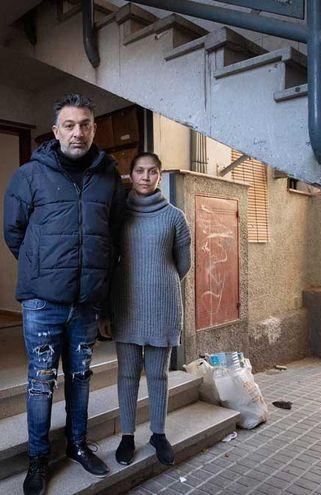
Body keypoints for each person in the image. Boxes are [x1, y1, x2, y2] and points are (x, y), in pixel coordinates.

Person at [3, 93, 126, 495]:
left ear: (94, 128)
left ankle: (76, 445)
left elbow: (113, 235)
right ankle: (38, 458)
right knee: (41, 381)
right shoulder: (28, 176)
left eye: (85, 124)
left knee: (80, 377)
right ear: (55, 132)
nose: (78, 132)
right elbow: (14, 234)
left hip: (87, 302)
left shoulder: (109, 177)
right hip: (42, 301)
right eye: (70, 125)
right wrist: (45, 270)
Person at [110, 152, 191, 467]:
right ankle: (127, 436)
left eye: (152, 172)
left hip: (162, 305)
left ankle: (158, 434)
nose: (145, 177)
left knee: (158, 374)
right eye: (139, 171)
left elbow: (182, 263)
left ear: (160, 176)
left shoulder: (174, 217)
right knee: (128, 374)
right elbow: (109, 259)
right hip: (126, 305)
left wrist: (158, 281)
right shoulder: (118, 216)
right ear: (130, 175)